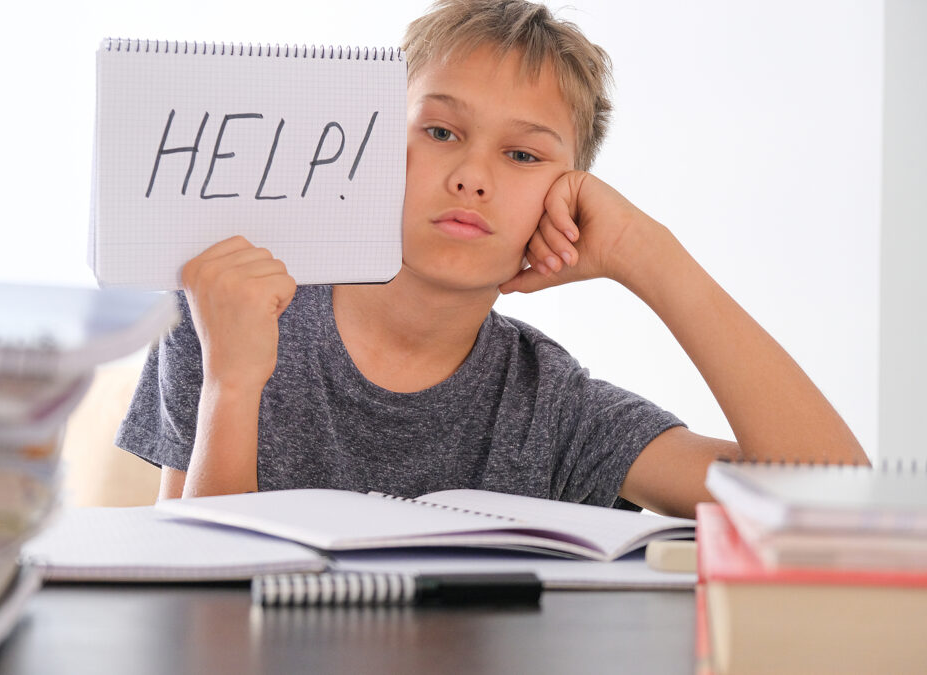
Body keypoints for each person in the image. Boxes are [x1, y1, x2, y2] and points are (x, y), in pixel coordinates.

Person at [115, 0, 868, 519]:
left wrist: (651, 254)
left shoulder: (553, 406)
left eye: (520, 153)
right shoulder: (231, 312)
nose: (473, 174)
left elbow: (840, 508)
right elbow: (198, 605)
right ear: (375, 141)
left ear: (567, 194)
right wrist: (234, 379)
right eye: (440, 132)